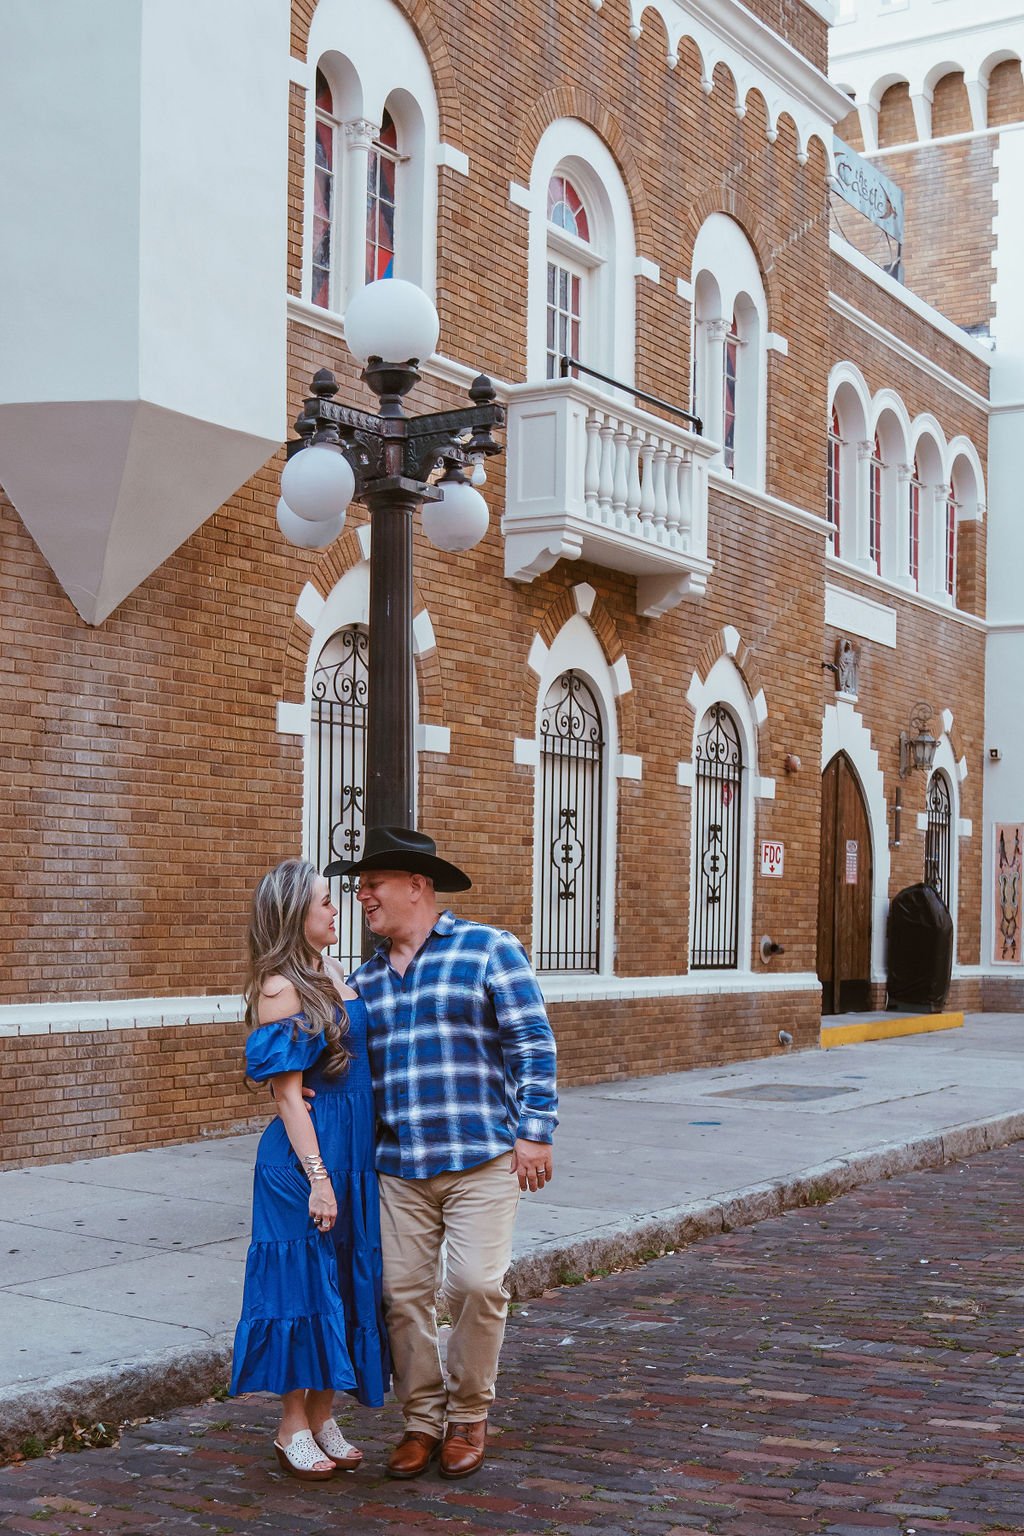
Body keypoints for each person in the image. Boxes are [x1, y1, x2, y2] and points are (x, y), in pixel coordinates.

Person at [323, 825, 557, 1482]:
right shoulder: (366, 980)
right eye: (360, 886)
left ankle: (470, 1415)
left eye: (373, 884)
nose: (362, 896)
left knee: (479, 1285)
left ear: (417, 886)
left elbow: (533, 1046)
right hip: (398, 1167)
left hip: (481, 1158)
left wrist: (535, 1131)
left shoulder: (489, 950)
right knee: (401, 1296)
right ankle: (422, 1420)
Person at [230, 859, 389, 1481]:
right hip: (304, 1164)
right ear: (296, 913)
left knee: (345, 1283)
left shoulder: (331, 970)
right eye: (326, 901)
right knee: (302, 1289)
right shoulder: (280, 986)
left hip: (352, 1155)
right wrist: (319, 1178)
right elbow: (289, 1095)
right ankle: (291, 1424)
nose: (336, 909)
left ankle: (323, 1415)